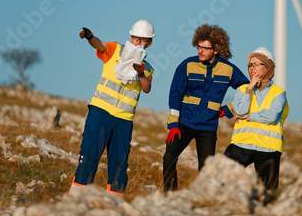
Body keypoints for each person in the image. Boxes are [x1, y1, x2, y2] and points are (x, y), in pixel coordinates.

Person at [70, 19, 155, 196]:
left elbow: (146, 88)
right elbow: (99, 44)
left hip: (124, 120)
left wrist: (140, 73)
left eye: (143, 40)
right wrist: (89, 36)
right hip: (101, 112)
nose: (139, 43)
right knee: (90, 155)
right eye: (136, 38)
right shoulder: (115, 49)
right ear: (130, 37)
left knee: (119, 164)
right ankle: (76, 201)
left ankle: (114, 205)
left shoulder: (148, 68)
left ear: (149, 43)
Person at [163, 24, 249, 192]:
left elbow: (247, 88)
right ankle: (170, 194)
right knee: (169, 157)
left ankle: (202, 197)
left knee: (206, 168)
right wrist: (173, 124)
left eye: (205, 48)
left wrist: (229, 110)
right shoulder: (186, 66)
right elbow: (175, 95)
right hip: (184, 123)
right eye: (198, 46)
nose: (200, 51)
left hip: (208, 127)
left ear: (216, 50)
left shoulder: (228, 69)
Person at [224, 47, 289, 204]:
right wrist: (249, 89)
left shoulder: (279, 93)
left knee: (268, 192)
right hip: (241, 144)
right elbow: (239, 110)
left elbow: (272, 116)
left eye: (257, 64)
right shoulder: (242, 89)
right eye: (250, 65)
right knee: (222, 177)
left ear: (268, 67)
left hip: (268, 147)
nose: (252, 68)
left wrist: (249, 117)